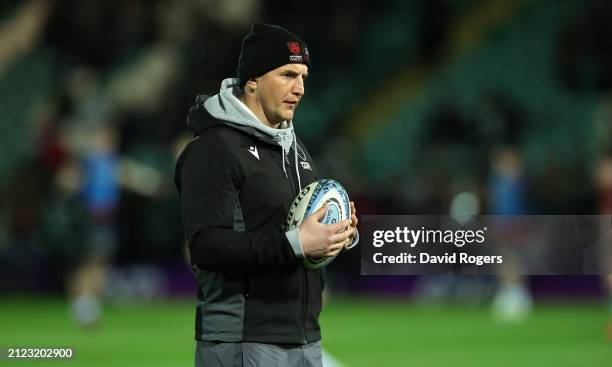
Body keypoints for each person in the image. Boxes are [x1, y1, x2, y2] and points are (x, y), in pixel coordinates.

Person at [174, 23, 358, 367]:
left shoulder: (293, 147)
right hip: (243, 340)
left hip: (304, 336)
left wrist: (335, 233)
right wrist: (297, 243)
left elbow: (294, 228)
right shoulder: (214, 149)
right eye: (288, 74)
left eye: (303, 76)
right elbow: (206, 246)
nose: (300, 88)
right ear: (253, 81)